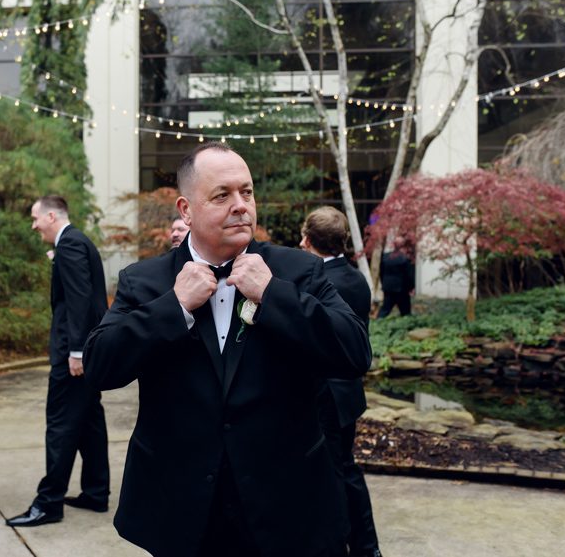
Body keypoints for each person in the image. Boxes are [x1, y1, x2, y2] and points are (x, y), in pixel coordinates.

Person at [84, 143, 371, 557]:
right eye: (222, 195)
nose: (240, 206)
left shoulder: (298, 272)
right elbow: (98, 366)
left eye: (247, 192)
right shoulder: (144, 281)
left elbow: (355, 352)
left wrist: (273, 295)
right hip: (183, 509)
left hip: (285, 506)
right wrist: (174, 307)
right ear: (186, 210)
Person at [6, 196, 110, 527]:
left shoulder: (70, 244)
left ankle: (48, 502)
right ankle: (96, 493)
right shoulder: (76, 241)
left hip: (74, 353)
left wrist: (77, 351)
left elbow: (80, 298)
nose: (34, 224)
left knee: (61, 425)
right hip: (83, 349)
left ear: (52, 216)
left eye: (36, 218)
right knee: (90, 421)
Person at [300, 207, 382, 557]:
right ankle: (365, 546)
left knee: (335, 472)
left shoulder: (318, 282)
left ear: (307, 239)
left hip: (325, 393)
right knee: (345, 467)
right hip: (348, 392)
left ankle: (347, 545)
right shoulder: (355, 278)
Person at [378, 236, 415, 318]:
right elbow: (409, 275)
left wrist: (384, 283)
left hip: (388, 287)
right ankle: (406, 327)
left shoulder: (385, 257)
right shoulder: (405, 259)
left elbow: (381, 273)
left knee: (385, 310)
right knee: (405, 312)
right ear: (403, 245)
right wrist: (411, 287)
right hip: (401, 290)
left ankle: (377, 325)